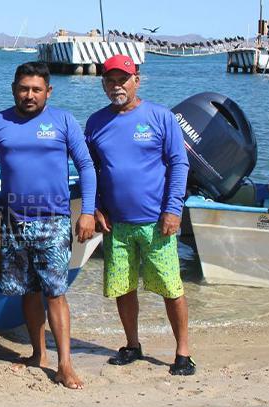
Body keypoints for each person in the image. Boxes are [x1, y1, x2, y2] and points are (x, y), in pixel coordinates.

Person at [0, 62, 97, 389]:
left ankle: (65, 364)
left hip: (54, 221)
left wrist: (88, 211)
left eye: (36, 89)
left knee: (55, 293)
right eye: (23, 89)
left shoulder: (63, 120)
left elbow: (86, 166)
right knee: (28, 292)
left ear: (49, 91)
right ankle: (38, 354)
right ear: (13, 89)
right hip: (15, 221)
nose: (29, 95)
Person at [84, 54, 195, 376]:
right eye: (110, 81)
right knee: (124, 287)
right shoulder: (95, 122)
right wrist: (95, 207)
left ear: (137, 80)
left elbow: (179, 164)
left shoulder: (161, 117)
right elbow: (90, 169)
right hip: (116, 225)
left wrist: (173, 209)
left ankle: (183, 353)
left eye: (123, 80)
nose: (116, 86)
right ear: (103, 84)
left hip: (157, 223)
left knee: (171, 287)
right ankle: (132, 345)